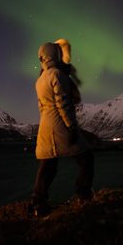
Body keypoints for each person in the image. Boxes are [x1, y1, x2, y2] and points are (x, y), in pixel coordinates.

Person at [32, 41, 94, 216]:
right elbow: (63, 103)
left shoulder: (40, 79)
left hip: (45, 124)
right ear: (55, 55)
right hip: (59, 123)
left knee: (48, 163)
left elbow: (41, 106)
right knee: (86, 158)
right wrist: (71, 126)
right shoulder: (58, 75)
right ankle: (83, 196)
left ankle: (39, 202)